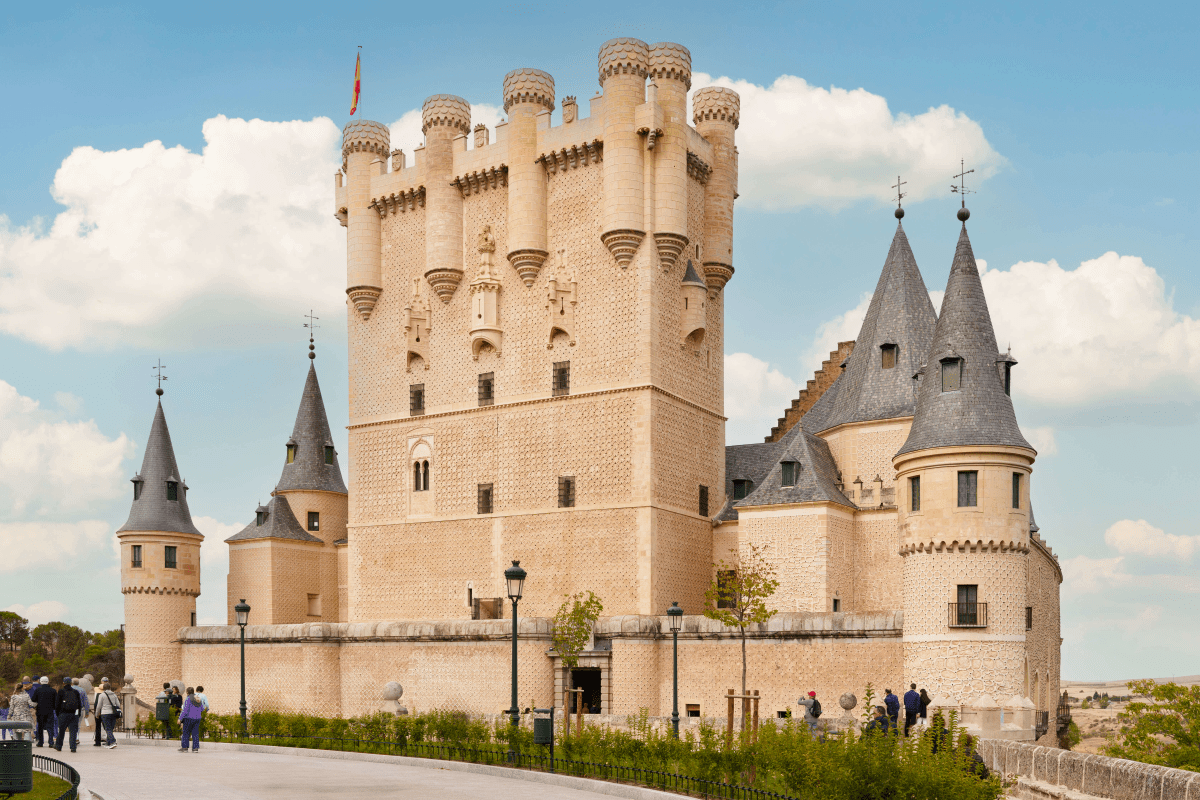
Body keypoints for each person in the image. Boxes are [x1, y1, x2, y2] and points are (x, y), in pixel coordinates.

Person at [54, 676, 83, 752]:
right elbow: (79, 704)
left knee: (61, 731)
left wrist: (58, 714)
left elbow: (57, 704)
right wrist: (78, 714)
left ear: (63, 683)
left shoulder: (61, 691)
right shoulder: (76, 692)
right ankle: (73, 747)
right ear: (71, 683)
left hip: (63, 714)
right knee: (73, 732)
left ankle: (59, 746)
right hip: (73, 715)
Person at [94, 681, 121, 749]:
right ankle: (108, 743)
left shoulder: (102, 695)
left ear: (103, 689)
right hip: (113, 714)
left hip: (105, 713)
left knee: (107, 728)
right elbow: (118, 705)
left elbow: (99, 706)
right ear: (110, 688)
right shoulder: (114, 695)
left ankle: (112, 741)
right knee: (110, 728)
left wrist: (97, 714)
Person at [178, 687, 205, 752]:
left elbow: (185, 710)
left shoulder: (188, 699)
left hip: (188, 718)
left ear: (187, 692)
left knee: (186, 733)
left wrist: (180, 718)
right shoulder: (198, 698)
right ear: (193, 692)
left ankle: (184, 748)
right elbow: (202, 709)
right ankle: (195, 748)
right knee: (195, 733)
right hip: (197, 718)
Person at [32, 676, 56, 747]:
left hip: (40, 711)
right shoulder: (53, 690)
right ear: (48, 681)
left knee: (40, 727)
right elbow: (56, 701)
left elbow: (33, 699)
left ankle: (40, 742)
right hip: (50, 711)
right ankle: (51, 742)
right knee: (50, 727)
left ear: (40, 682)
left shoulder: (38, 690)